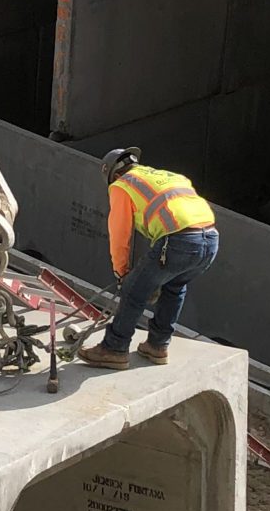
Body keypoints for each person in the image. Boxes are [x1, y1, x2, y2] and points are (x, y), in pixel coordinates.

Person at [84, 147, 218, 369]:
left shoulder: (122, 185)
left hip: (178, 240)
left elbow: (120, 235)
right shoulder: (168, 177)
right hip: (210, 241)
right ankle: (157, 346)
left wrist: (122, 273)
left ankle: (114, 349)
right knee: (175, 287)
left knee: (133, 291)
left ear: (114, 175)